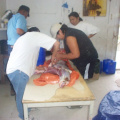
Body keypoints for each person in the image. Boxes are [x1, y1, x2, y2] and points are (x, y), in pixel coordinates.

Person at [6, 27, 60, 120]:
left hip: (13, 70)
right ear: (37, 33)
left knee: (22, 94)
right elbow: (57, 43)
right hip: (18, 71)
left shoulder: (23, 38)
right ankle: (23, 117)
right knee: (22, 97)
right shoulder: (35, 35)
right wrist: (53, 56)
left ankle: (27, 109)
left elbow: (24, 56)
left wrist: (36, 68)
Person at [7, 5, 30, 95]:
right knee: (20, 67)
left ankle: (13, 88)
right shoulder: (21, 17)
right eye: (27, 15)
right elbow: (19, 31)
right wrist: (28, 34)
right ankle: (19, 89)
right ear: (24, 12)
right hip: (17, 46)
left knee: (13, 67)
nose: (26, 17)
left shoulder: (12, 18)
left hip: (11, 46)